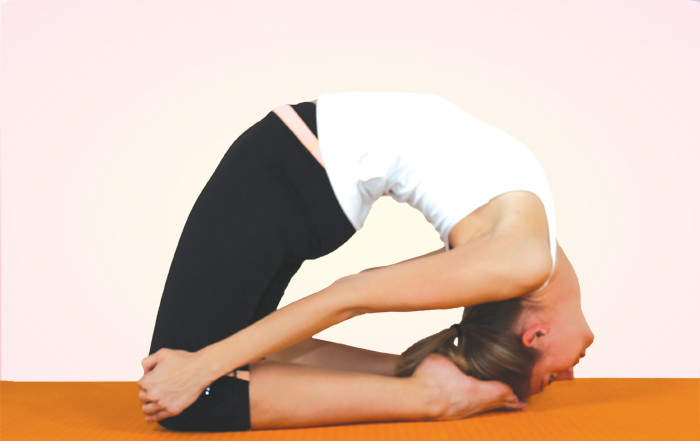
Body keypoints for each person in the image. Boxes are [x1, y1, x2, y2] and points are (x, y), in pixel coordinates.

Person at [136, 92, 594, 432]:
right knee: (213, 365)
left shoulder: (523, 249)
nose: (571, 374)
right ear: (536, 334)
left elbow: (354, 292)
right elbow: (351, 294)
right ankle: (426, 388)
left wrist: (201, 368)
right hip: (295, 171)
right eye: (553, 374)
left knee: (198, 394)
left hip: (294, 172)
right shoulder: (523, 258)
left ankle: (427, 388)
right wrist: (201, 367)